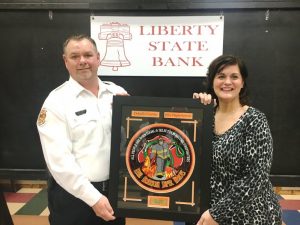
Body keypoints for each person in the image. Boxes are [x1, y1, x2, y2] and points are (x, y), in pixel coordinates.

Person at [36, 34, 128, 225]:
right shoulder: (56, 102)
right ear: (65, 61)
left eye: (88, 55)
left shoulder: (117, 94)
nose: (82, 61)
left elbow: (134, 140)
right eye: (75, 56)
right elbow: (59, 161)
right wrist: (93, 197)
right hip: (73, 197)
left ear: (98, 58)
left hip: (113, 192)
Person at [192, 55, 282, 225]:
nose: (227, 82)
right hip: (206, 212)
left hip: (250, 214)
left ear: (242, 83)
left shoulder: (254, 120)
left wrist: (217, 214)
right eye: (221, 76)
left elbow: (256, 178)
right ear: (212, 82)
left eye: (234, 76)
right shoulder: (204, 116)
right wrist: (192, 111)